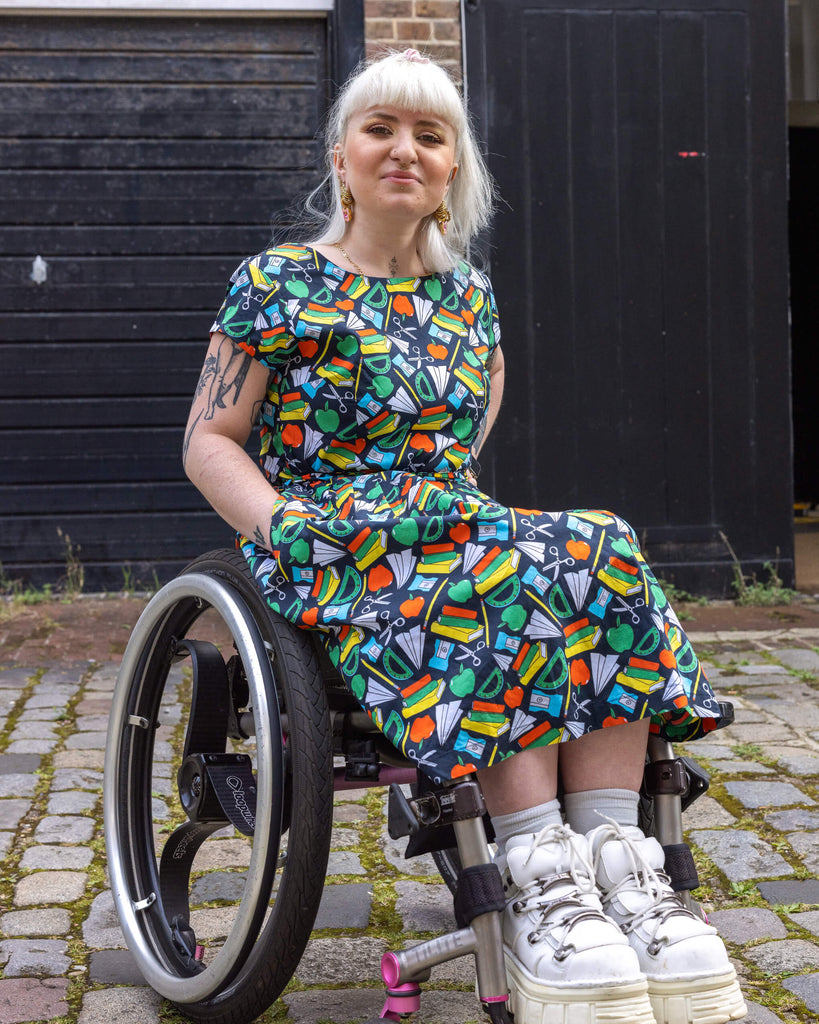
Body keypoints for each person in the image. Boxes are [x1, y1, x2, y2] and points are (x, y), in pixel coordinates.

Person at [183, 48, 746, 1024]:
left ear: (452, 169)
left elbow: (463, 449)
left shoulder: (468, 299)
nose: (404, 148)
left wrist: (457, 522)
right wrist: (283, 526)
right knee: (481, 570)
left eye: (429, 134)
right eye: (380, 128)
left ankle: (618, 872)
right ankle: (537, 878)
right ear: (341, 156)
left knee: (595, 543)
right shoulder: (277, 282)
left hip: (445, 526)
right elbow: (208, 440)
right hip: (326, 537)